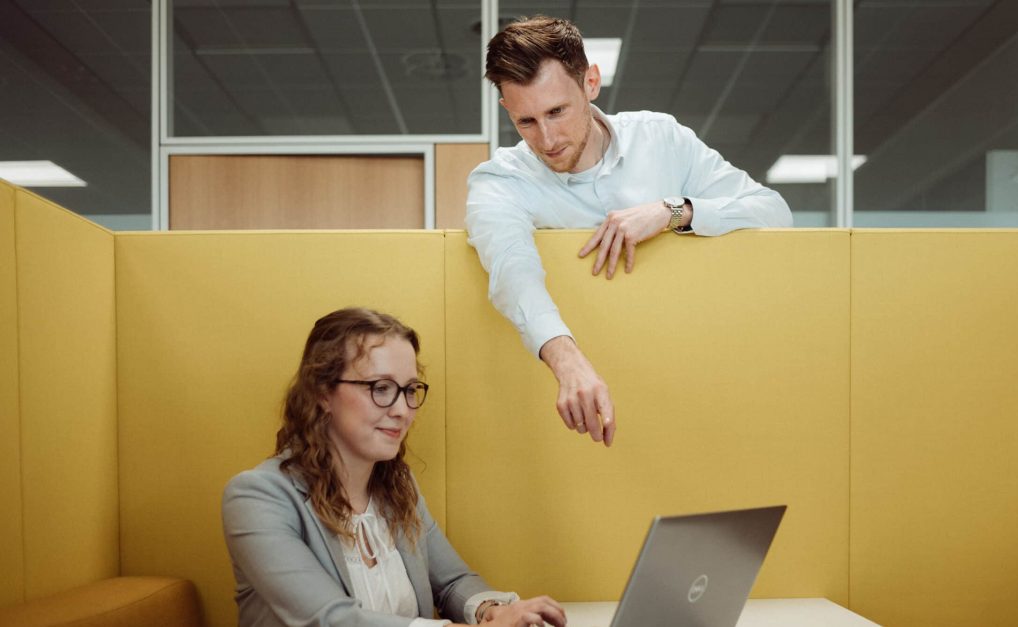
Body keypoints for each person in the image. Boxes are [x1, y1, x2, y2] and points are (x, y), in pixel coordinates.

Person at [466, 16, 792, 448]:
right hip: (566, 413)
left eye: (557, 111)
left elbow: (773, 213)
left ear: (591, 82)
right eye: (526, 121)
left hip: (693, 392)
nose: (547, 139)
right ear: (507, 108)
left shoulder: (662, 140)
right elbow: (513, 272)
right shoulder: (500, 181)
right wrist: (567, 363)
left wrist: (672, 211)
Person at [221, 307, 566, 627]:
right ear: (323, 393)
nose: (403, 410)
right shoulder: (257, 497)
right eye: (381, 388)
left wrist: (491, 610)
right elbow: (331, 620)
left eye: (410, 390)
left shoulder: (399, 486)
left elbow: (453, 582)